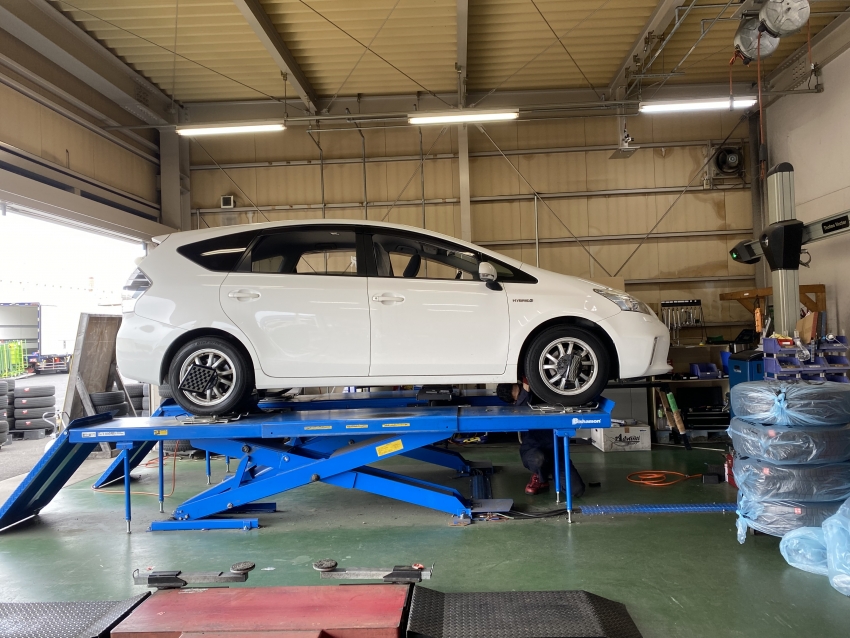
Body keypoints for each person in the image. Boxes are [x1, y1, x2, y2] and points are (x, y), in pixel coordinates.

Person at [496, 382, 586, 498]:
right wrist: (525, 393)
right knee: (538, 460)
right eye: (520, 394)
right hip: (533, 449)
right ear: (514, 402)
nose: (524, 392)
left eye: (521, 389)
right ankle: (540, 476)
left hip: (556, 453)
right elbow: (521, 407)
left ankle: (551, 473)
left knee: (576, 490)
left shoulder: (541, 390)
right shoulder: (519, 409)